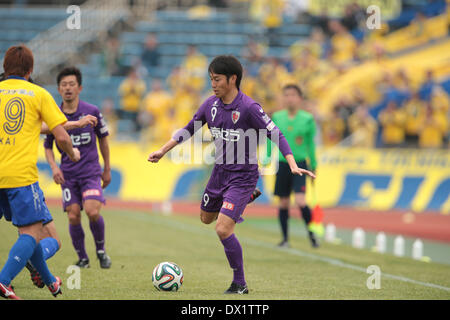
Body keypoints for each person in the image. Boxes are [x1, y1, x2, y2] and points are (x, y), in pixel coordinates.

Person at [148, 55, 315, 294]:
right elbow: (189, 129)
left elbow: (275, 133)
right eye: (211, 79)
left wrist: (291, 162)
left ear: (232, 79)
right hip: (219, 174)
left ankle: (240, 283)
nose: (213, 84)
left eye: (217, 79)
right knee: (206, 219)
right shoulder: (210, 105)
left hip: (243, 176)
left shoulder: (249, 108)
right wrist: (163, 150)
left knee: (223, 229)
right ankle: (243, 200)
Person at [0, 45, 80, 299]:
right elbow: (61, 135)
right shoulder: (38, 93)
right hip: (20, 175)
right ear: (30, 70)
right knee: (33, 232)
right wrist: (71, 153)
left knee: (30, 233)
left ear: (4, 68)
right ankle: (3, 280)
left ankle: (51, 282)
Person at [44, 67, 112, 269]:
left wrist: (106, 168)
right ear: (58, 89)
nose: (68, 88)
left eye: (71, 84)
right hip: (68, 176)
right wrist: (54, 167)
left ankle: (101, 251)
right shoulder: (54, 114)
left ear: (79, 88)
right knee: (73, 214)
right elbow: (47, 146)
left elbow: (104, 140)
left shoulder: (92, 111)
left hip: (91, 172)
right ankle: (83, 258)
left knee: (92, 211)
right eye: (64, 85)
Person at [265, 84, 318, 248]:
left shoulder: (307, 119)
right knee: (283, 203)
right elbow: (270, 138)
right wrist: (267, 157)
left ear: (300, 98)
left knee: (301, 201)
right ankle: (285, 239)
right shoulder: (278, 117)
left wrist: (314, 165)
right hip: (282, 163)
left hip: (300, 164)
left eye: (293, 95)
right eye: (286, 95)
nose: (289, 98)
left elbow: (310, 144)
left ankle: (312, 234)